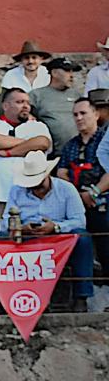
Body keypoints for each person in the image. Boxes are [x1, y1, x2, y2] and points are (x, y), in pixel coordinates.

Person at [4, 152, 95, 312]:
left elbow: (79, 221)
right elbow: (6, 219)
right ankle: (2, 298)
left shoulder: (66, 189)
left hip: (59, 240)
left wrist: (56, 227)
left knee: (82, 238)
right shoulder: (16, 191)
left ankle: (81, 296)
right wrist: (21, 228)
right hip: (27, 238)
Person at [0, 87, 52, 220]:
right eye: (20, 102)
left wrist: (8, 152)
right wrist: (28, 143)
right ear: (5, 106)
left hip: (30, 197)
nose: (26, 106)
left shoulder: (38, 126)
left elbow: (42, 143)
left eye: (27, 103)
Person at [57, 98, 107, 280]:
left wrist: (93, 192)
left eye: (83, 113)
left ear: (96, 114)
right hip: (76, 203)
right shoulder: (70, 145)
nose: (78, 118)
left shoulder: (106, 141)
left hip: (103, 202)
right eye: (75, 114)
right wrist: (77, 196)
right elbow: (61, 172)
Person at [29, 57, 82, 153]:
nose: (71, 75)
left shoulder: (77, 95)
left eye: (72, 71)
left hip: (80, 151)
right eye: (67, 71)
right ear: (54, 73)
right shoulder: (36, 95)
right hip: (51, 154)